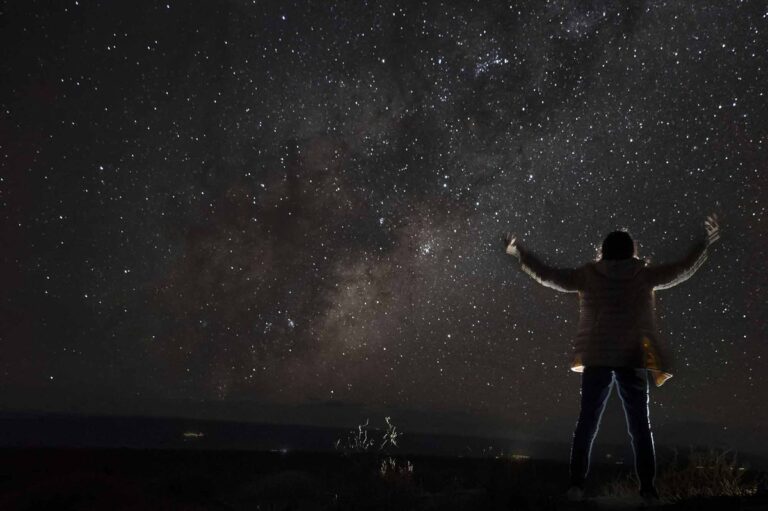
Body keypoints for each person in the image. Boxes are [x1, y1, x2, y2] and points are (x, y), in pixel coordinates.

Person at [501, 214, 721, 504]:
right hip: (633, 356)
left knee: (587, 423)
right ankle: (648, 490)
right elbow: (682, 270)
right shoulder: (644, 275)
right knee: (640, 426)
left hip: (597, 355)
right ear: (632, 250)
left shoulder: (588, 275)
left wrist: (520, 254)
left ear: (603, 250)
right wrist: (705, 243)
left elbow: (549, 276)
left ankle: (576, 486)